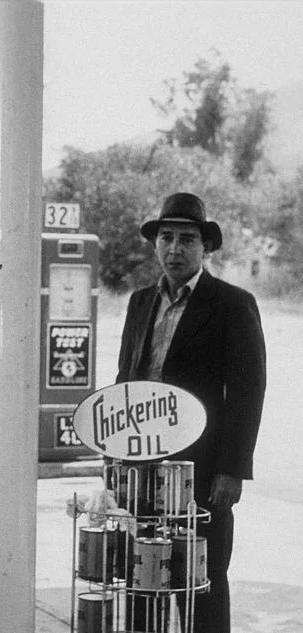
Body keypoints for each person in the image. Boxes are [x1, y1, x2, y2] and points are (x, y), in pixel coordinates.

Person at [116, 192, 266, 631]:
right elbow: (127, 376)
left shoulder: (232, 304)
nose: (175, 249)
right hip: (143, 462)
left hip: (201, 466)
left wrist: (232, 469)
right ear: (155, 243)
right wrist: (115, 453)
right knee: (142, 572)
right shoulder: (141, 302)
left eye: (186, 239)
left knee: (203, 577)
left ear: (205, 248)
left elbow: (247, 391)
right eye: (166, 237)